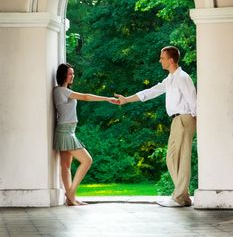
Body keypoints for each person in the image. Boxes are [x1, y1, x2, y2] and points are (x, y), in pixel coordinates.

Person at [115, 46, 196, 207]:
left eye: (162, 57)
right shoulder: (170, 78)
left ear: (171, 60)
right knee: (172, 158)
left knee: (182, 158)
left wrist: (196, 124)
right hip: (176, 121)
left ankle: (179, 197)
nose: (160, 60)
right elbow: (151, 91)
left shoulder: (182, 77)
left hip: (185, 119)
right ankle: (183, 195)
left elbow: (193, 100)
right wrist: (127, 99)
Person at [53, 63, 119, 206]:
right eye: (70, 73)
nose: (73, 76)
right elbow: (86, 97)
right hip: (65, 131)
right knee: (87, 160)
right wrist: (106, 98)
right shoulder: (60, 91)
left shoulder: (64, 91)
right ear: (63, 75)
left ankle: (71, 198)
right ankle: (70, 193)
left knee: (66, 165)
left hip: (68, 130)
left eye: (73, 73)